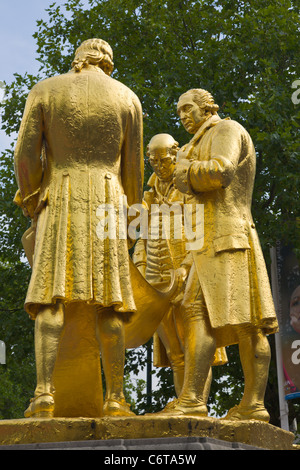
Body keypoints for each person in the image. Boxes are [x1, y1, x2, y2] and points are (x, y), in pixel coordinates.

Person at [14, 38, 144, 418]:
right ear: (107, 62)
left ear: (78, 59)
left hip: (61, 196)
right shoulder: (127, 98)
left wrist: (31, 195)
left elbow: (25, 153)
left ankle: (43, 394)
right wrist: (133, 222)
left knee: (51, 296)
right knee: (111, 303)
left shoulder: (46, 89)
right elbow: (134, 169)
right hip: (109, 201)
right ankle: (116, 397)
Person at [159, 88, 279, 421]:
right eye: (179, 111)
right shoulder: (193, 144)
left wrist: (183, 171)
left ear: (207, 106)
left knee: (247, 324)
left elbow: (221, 171)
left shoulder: (226, 130)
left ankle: (217, 402)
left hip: (227, 236)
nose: (183, 116)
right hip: (208, 242)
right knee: (212, 314)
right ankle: (243, 405)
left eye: (188, 108)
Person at [133, 133, 227, 403]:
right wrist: (139, 266)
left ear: (175, 155)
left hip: (187, 274)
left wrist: (187, 266)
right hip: (155, 279)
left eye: (163, 160)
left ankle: (195, 403)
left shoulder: (190, 186)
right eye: (153, 161)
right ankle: (183, 407)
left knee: (195, 348)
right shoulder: (149, 193)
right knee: (175, 353)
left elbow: (202, 230)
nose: (159, 166)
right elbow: (142, 235)